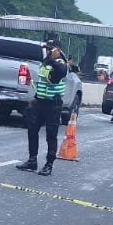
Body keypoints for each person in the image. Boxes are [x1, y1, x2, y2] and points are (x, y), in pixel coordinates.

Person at [16, 40, 69, 176]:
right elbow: (42, 83)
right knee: (32, 130)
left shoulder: (61, 63)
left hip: (53, 104)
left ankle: (49, 164)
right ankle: (32, 160)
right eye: (46, 48)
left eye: (50, 49)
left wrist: (52, 59)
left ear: (57, 50)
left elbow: (62, 72)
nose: (47, 51)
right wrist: (36, 98)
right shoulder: (45, 62)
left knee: (51, 136)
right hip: (40, 102)